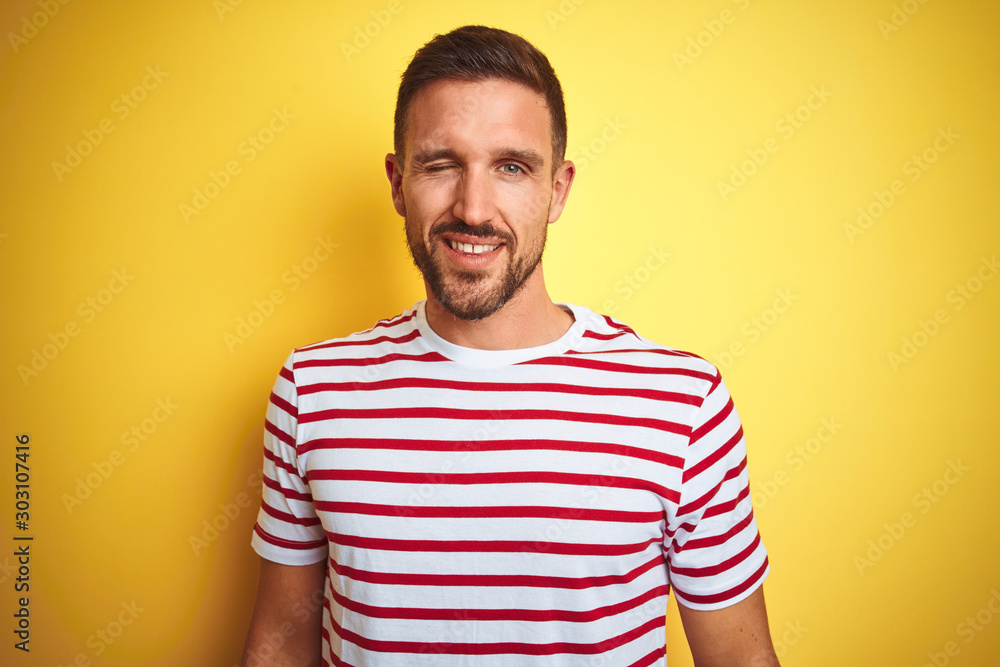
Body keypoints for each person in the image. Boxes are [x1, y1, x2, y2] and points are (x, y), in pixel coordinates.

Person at [242, 25, 779, 667]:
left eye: (512, 168)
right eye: (440, 164)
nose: (473, 207)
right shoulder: (313, 390)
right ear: (396, 182)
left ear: (556, 189)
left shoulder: (682, 407)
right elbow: (279, 645)